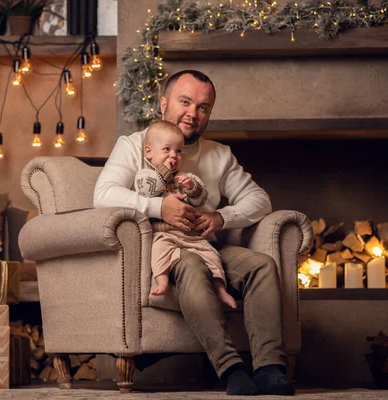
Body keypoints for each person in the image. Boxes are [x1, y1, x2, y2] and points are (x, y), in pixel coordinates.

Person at [94, 70, 294, 396]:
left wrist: (220, 217)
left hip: (206, 245)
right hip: (163, 251)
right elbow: (102, 195)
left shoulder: (219, 155)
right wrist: (160, 209)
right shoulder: (134, 146)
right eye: (185, 102)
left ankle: (270, 368)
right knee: (189, 263)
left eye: (203, 107)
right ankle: (231, 370)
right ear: (163, 104)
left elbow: (260, 200)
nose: (193, 113)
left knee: (261, 265)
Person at [135, 120, 236, 309]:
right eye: (167, 149)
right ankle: (162, 281)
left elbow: (201, 199)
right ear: (149, 151)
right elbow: (149, 192)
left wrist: (192, 186)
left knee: (212, 255)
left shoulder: (185, 177)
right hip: (162, 233)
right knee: (158, 251)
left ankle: (220, 288)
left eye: (179, 151)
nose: (174, 155)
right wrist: (164, 169)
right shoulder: (145, 176)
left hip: (191, 235)